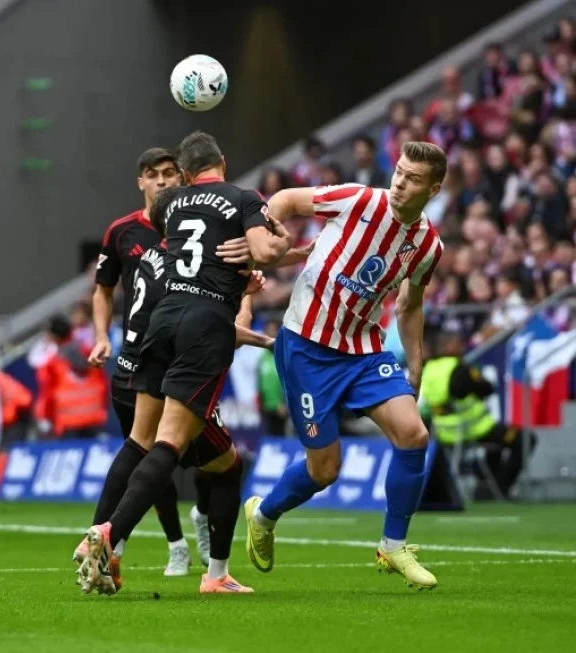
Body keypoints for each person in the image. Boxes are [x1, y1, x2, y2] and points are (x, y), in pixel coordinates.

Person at [78, 131, 293, 594]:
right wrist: (274, 241)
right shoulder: (241, 197)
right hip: (203, 325)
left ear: (185, 174)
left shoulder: (168, 208)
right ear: (223, 162)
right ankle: (113, 535)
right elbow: (270, 251)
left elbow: (176, 226)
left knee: (143, 441)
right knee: (175, 446)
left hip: (160, 324)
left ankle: (119, 541)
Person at [243, 141, 446, 591]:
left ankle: (393, 546)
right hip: (306, 347)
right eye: (398, 171)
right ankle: (262, 514)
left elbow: (409, 307)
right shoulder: (360, 200)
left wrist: (414, 363)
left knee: (414, 434)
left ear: (433, 189)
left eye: (413, 179)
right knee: (325, 470)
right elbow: (286, 200)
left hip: (363, 350)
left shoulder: (428, 245)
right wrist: (270, 236)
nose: (399, 182)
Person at [87, 146, 192, 574]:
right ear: (141, 182)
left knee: (199, 456)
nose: (163, 180)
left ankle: (202, 524)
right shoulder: (121, 232)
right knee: (149, 449)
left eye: (170, 172)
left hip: (186, 356)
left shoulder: (194, 227)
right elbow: (103, 289)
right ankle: (173, 542)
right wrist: (100, 336)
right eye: (154, 174)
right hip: (137, 357)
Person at [420, 331, 535, 499]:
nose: (462, 347)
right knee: (525, 439)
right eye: (458, 343)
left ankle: (487, 487)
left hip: (443, 432)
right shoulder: (459, 368)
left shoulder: (428, 369)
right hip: (472, 428)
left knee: (496, 445)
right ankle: (502, 487)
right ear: (448, 346)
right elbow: (485, 388)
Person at [34, 315, 108, 439]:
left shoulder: (52, 364)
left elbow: (47, 394)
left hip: (68, 424)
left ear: (54, 336)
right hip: (95, 419)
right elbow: (103, 385)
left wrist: (44, 417)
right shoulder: (91, 354)